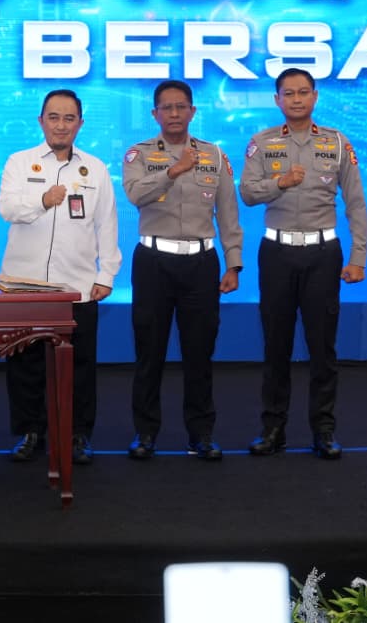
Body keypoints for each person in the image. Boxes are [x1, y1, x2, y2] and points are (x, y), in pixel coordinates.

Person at [239, 67, 367, 460]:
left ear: (315, 97)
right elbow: (246, 193)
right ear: (277, 100)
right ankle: (272, 429)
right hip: (276, 254)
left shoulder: (336, 143)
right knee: (275, 346)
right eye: (288, 94)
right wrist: (280, 183)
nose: (296, 99)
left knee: (322, 347)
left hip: (322, 255)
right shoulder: (261, 143)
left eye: (303, 92)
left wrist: (358, 256)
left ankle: (324, 431)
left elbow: (356, 202)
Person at [122, 80, 244, 462]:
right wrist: (173, 171)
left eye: (181, 107)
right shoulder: (138, 155)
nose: (174, 114)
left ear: (192, 112)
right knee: (149, 354)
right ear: (155, 114)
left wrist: (233, 262)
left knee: (199, 354)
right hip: (153, 262)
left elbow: (227, 212)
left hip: (201, 264)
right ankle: (145, 434)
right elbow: (135, 195)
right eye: (166, 108)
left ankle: (201, 435)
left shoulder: (214, 156)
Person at [0, 89, 121, 465]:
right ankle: (30, 431)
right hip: (24, 286)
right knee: (25, 365)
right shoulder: (20, 162)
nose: (61, 125)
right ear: (41, 121)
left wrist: (107, 273)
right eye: (54, 117)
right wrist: (42, 201)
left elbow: (107, 224)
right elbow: (7, 209)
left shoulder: (96, 169)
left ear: (80, 124)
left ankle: (79, 434)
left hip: (77, 286)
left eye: (69, 118)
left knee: (80, 367)